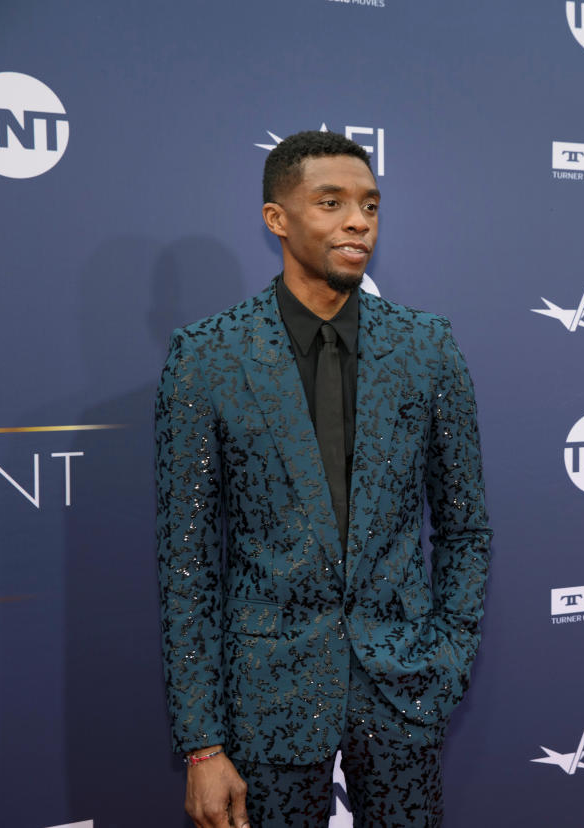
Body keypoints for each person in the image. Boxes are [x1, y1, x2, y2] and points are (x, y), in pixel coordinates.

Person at [156, 130, 491, 827]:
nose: (357, 222)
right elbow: (185, 564)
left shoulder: (427, 347)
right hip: (268, 699)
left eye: (370, 205)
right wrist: (202, 745)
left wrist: (447, 655)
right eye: (331, 203)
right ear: (277, 218)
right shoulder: (208, 357)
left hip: (403, 688)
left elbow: (464, 526)